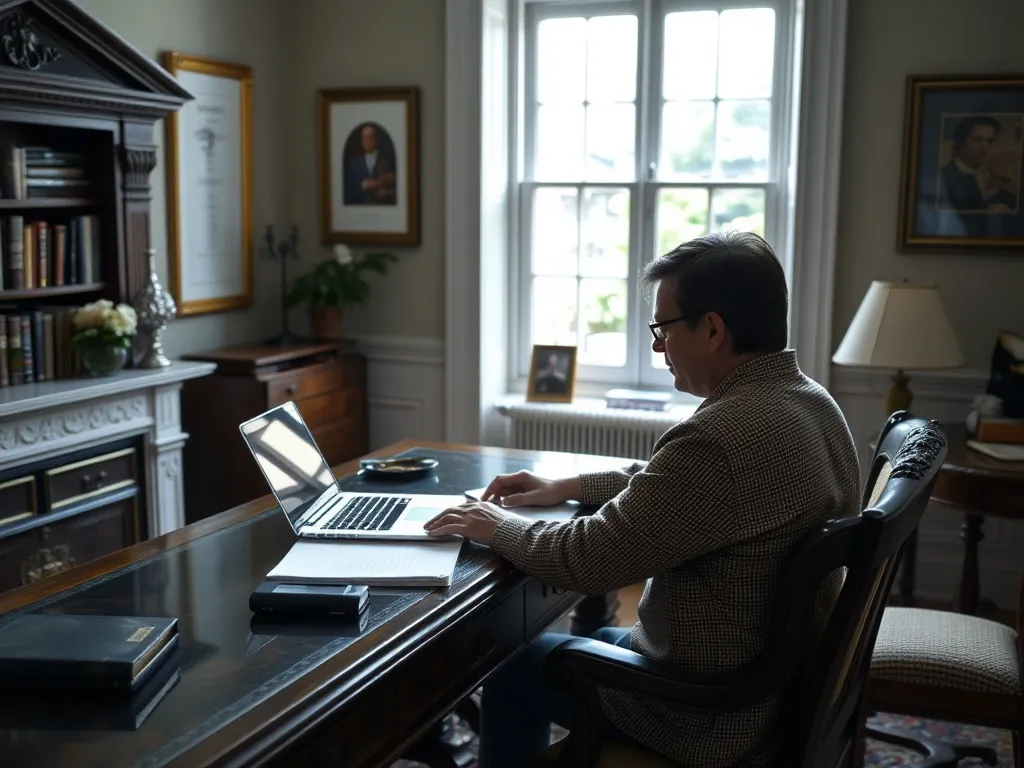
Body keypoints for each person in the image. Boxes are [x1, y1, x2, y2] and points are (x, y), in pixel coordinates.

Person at [424, 231, 862, 768]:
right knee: (579, 641)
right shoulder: (807, 402)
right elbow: (670, 484)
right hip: (761, 685)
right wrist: (569, 487)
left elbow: (588, 560)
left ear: (712, 329)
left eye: (663, 329)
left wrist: (493, 524)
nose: (658, 347)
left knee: (511, 668)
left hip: (706, 713)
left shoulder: (724, 435)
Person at [939, 115, 1018, 212]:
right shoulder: (943, 177)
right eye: (977, 140)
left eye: (990, 141)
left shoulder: (994, 179)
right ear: (960, 143)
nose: (985, 148)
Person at [343, 123, 396, 205]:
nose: (368, 141)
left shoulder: (388, 160)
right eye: (365, 138)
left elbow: (400, 189)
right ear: (361, 141)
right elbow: (347, 190)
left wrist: (387, 193)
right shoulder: (354, 164)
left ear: (376, 139)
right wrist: (362, 186)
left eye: (371, 137)